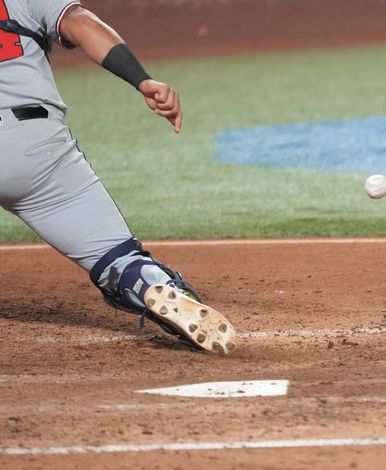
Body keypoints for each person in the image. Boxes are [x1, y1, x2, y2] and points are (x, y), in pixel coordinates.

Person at [0, 1, 236, 353]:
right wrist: (142, 80)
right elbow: (80, 24)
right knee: (119, 259)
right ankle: (148, 282)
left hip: (33, 143)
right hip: (34, 148)